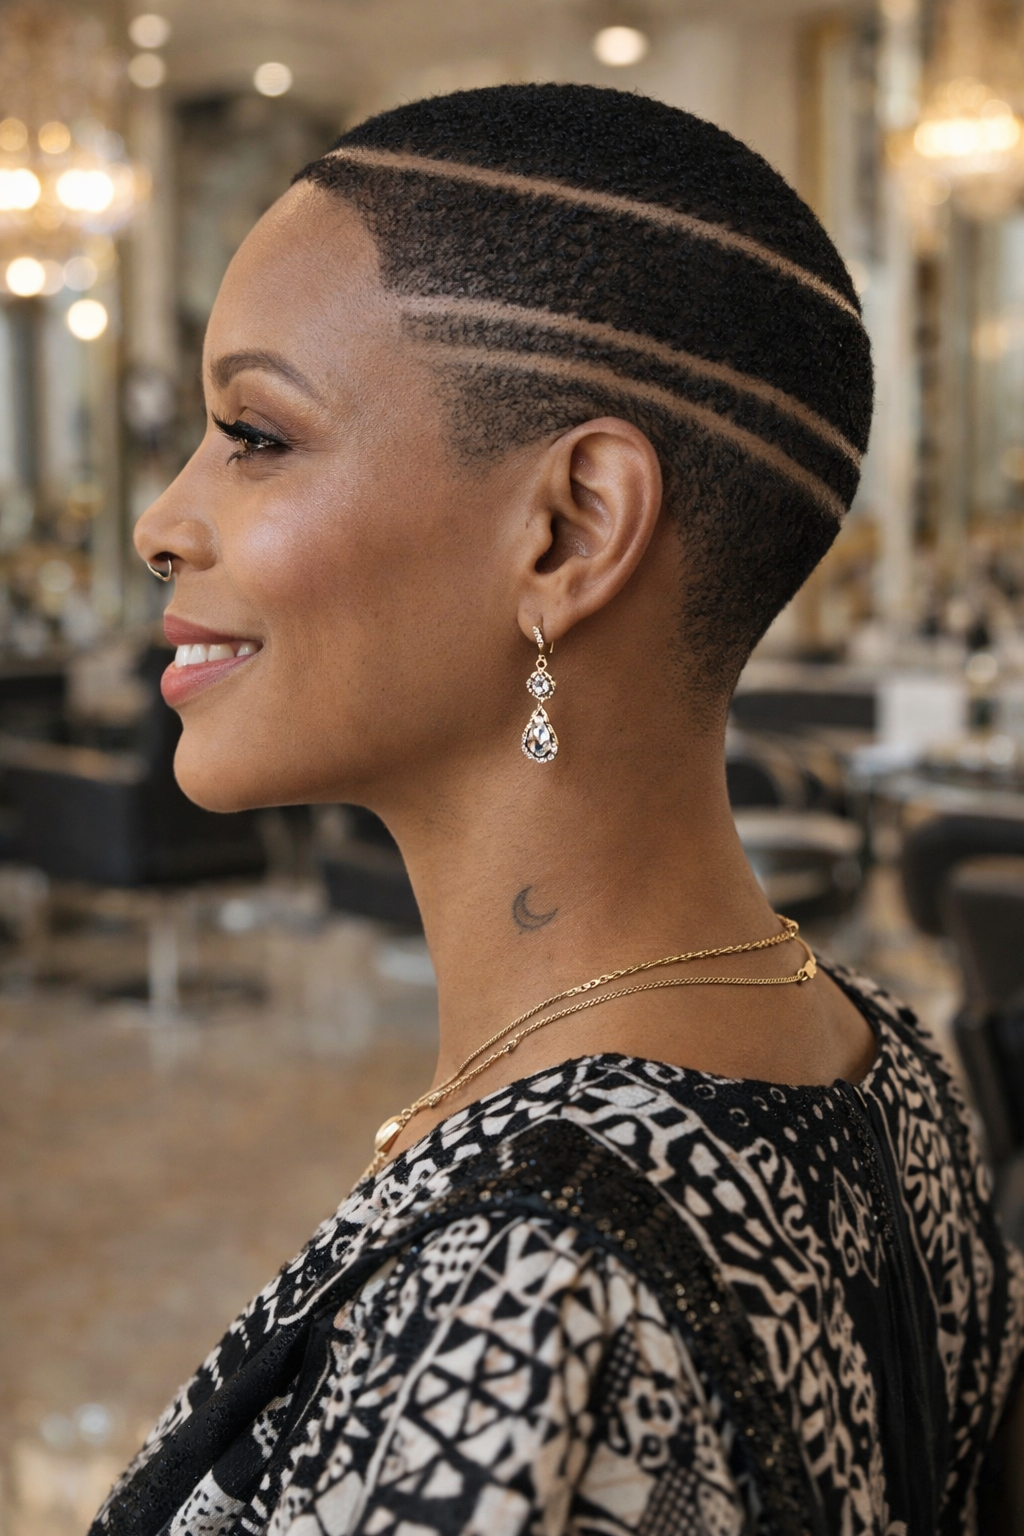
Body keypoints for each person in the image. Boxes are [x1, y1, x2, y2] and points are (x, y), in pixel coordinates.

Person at [105, 84, 1021, 1535]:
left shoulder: (527, 1297)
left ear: (571, 528)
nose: (161, 522)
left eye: (255, 434)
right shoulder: (884, 1065)